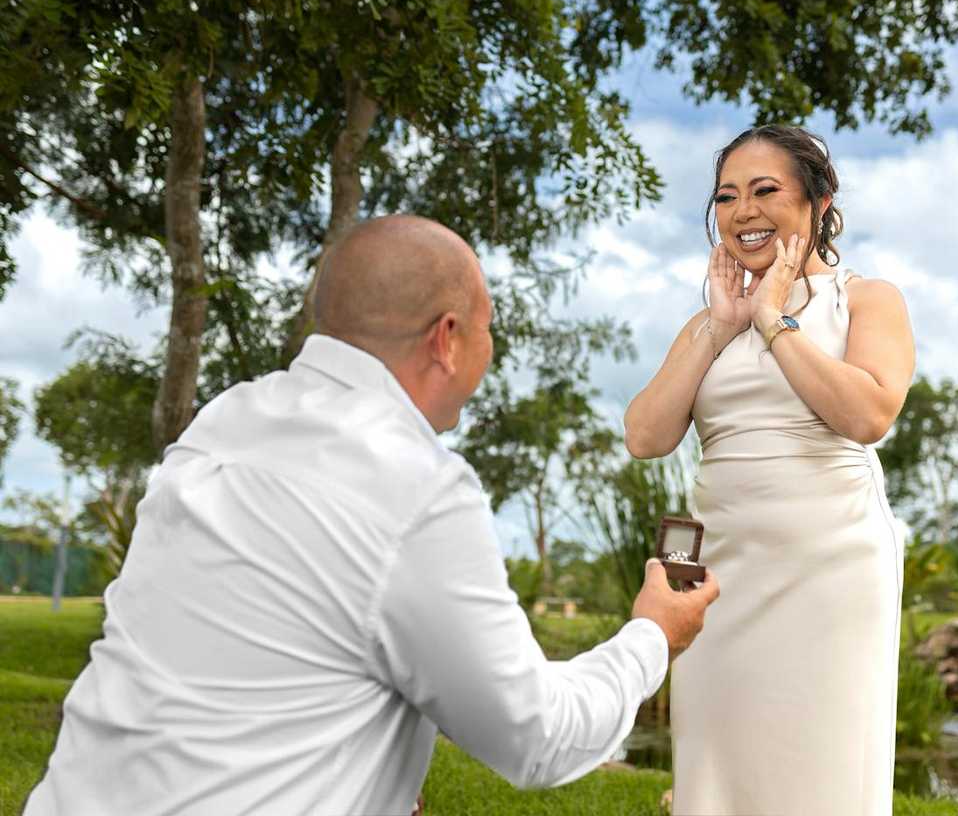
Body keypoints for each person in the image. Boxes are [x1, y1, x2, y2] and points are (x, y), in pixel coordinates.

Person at [24, 214, 720, 816]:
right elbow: (537, 735)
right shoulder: (416, 485)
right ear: (446, 339)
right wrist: (652, 637)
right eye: (488, 330)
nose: (491, 350)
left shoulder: (224, 422)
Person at [624, 126, 915, 816]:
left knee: (822, 760)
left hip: (831, 564)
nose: (743, 212)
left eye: (765, 191)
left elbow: (868, 414)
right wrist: (725, 324)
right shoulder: (710, 323)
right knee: (719, 762)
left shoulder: (868, 300)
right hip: (720, 568)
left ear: (818, 201)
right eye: (727, 197)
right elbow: (645, 435)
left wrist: (774, 320)